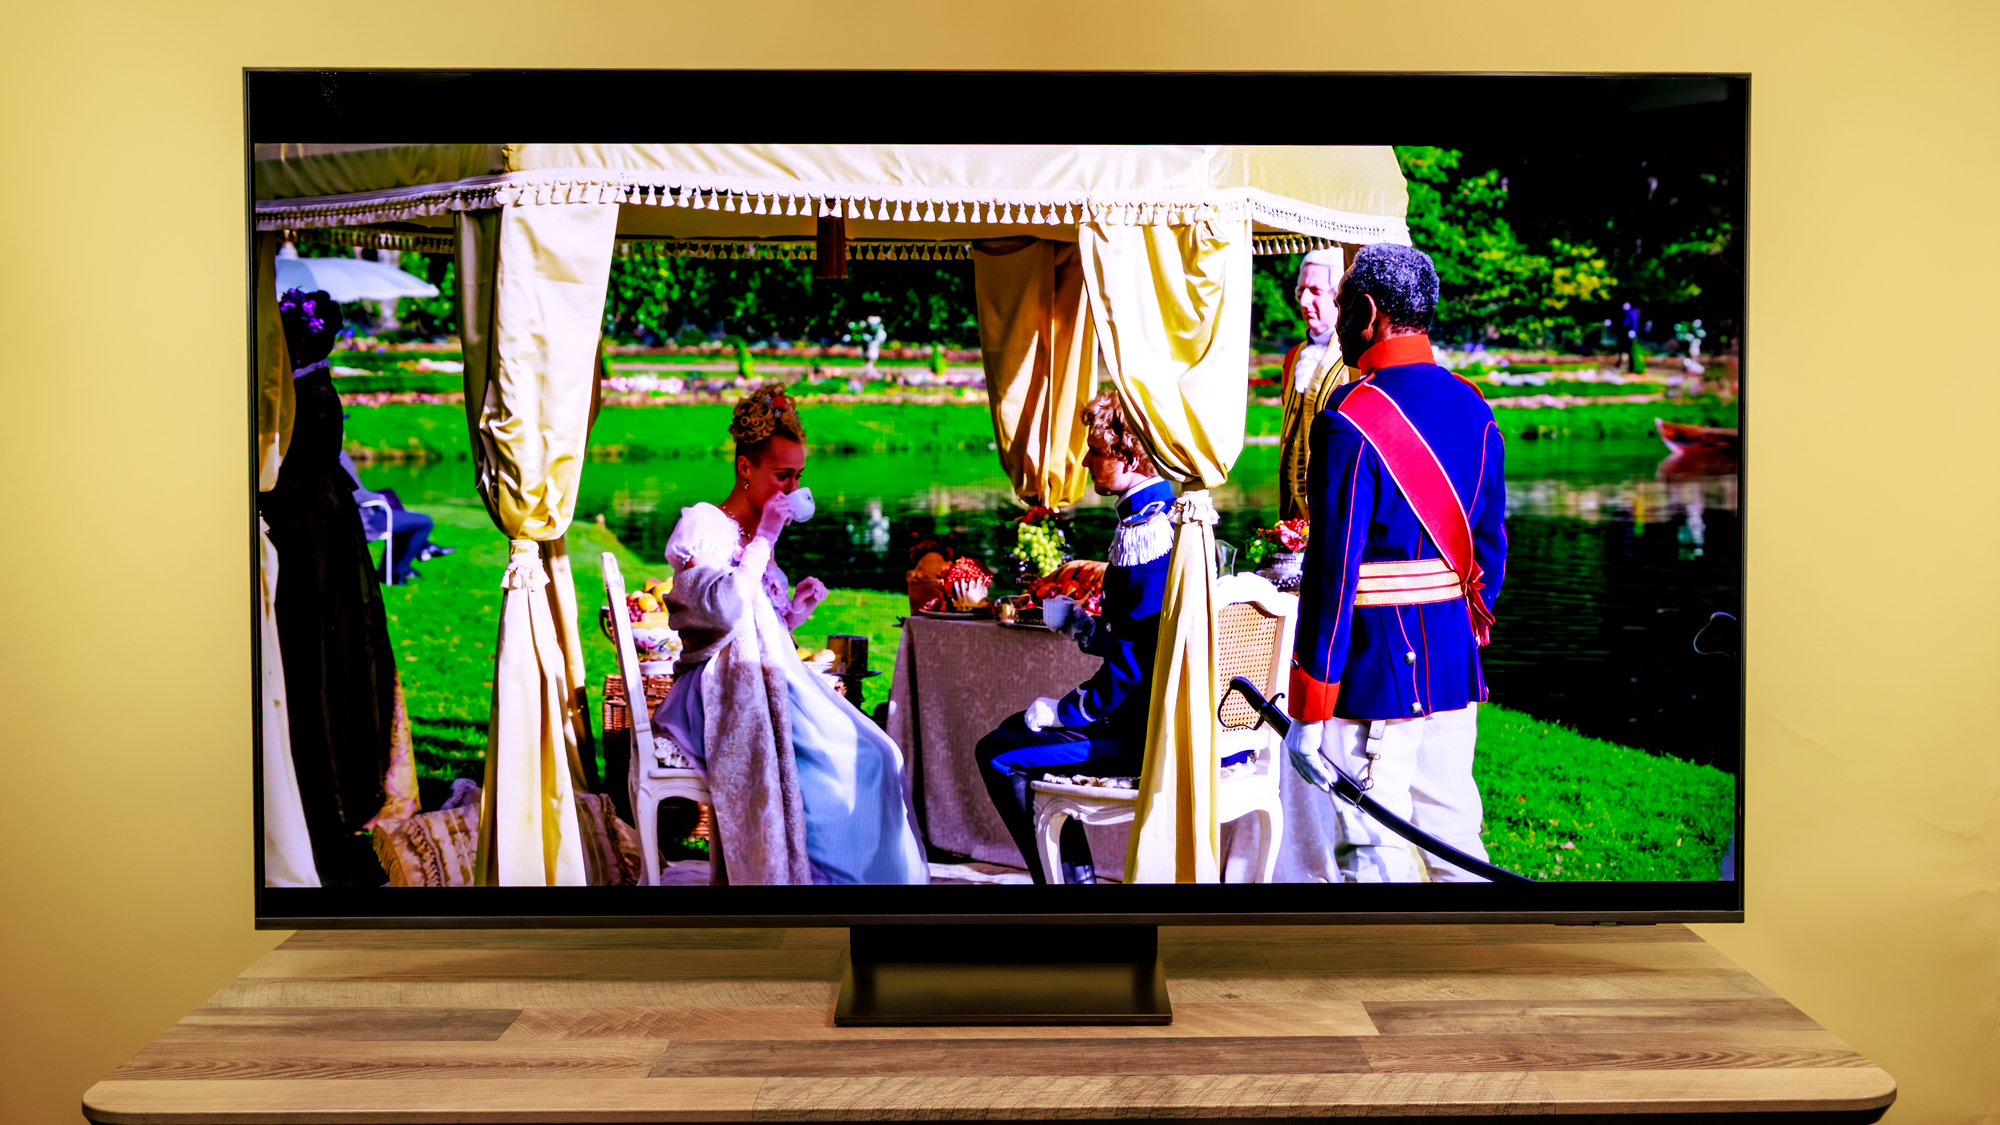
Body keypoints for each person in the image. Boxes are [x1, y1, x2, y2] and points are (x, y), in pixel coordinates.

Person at [1282, 244, 1508, 883]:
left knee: (1373, 854)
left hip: (1374, 676)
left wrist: (1311, 706)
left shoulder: (1350, 419)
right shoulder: (1475, 406)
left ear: (1369, 312)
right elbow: (1488, 552)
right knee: (1458, 845)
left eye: (1348, 302)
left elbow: (1332, 574)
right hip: (1452, 664)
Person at [651, 385, 928, 885]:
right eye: (783, 475)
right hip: (721, 691)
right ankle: (825, 881)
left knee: (883, 751)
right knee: (866, 757)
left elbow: (757, 628)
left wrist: (794, 612)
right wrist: (767, 537)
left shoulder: (759, 533)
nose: (791, 487)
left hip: (765, 680)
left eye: (798, 476)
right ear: (745, 468)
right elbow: (720, 612)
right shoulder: (703, 525)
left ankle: (867, 879)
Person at [973, 389, 1174, 885]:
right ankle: (1072, 882)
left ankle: (1067, 892)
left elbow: (1132, 670)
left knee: (998, 754)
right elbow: (1143, 641)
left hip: (1140, 731)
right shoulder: (1158, 516)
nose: (1085, 460)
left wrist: (1066, 710)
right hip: (1148, 714)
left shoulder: (1147, 532)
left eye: (1096, 451)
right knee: (1009, 731)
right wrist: (1087, 630)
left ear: (1128, 454)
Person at [257, 289, 399, 883]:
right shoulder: (309, 388)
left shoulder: (294, 398)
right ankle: (328, 784)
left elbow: (282, 468)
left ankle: (323, 785)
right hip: (324, 532)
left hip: (309, 535)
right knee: (326, 655)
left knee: (316, 655)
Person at [1277, 247, 1353, 522]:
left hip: (1337, 499)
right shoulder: (1293, 357)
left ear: (1338, 296)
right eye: (1301, 291)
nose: (1305, 301)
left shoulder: (1354, 359)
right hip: (1293, 506)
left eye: (1315, 291)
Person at [339, 451, 450, 582]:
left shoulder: (333, 453)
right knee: (425, 522)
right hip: (364, 519)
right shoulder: (336, 456)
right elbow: (355, 495)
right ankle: (397, 571)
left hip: (358, 512)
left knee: (388, 493)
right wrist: (378, 498)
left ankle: (420, 549)